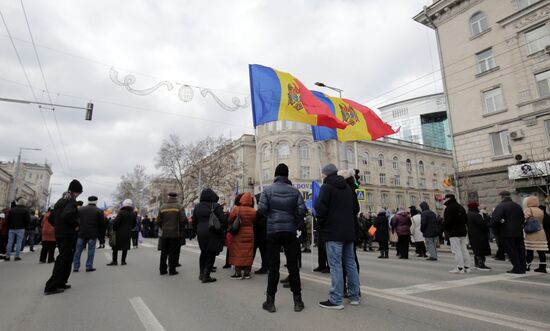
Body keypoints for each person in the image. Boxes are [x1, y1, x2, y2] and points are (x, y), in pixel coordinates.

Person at [258, 163, 306, 313]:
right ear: (287, 175)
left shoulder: (267, 191)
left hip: (273, 232)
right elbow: (301, 211)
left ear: (275, 175)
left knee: (274, 267)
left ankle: (270, 302)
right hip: (290, 231)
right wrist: (293, 221)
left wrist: (271, 219)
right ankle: (297, 301)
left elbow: (261, 210)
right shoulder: (295, 191)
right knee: (293, 266)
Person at [316, 164, 360, 310]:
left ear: (326, 174)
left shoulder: (327, 187)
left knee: (335, 265)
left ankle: (336, 299)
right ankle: (354, 296)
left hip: (333, 232)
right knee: (350, 264)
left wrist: (321, 225)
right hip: (348, 231)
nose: (322, 177)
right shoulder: (347, 188)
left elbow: (320, 209)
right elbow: (354, 209)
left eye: (322, 175)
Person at [44, 179, 82, 295]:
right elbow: (67, 215)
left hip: (59, 233)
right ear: (75, 192)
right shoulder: (71, 201)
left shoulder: (60, 201)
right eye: (79, 193)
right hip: (68, 234)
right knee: (64, 259)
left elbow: (50, 219)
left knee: (66, 257)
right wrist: (75, 225)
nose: (78, 195)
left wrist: (59, 226)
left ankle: (61, 282)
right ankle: (51, 285)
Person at [192, 188, 226, 283]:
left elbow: (194, 221)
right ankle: (206, 275)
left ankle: (201, 273)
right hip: (213, 232)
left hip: (201, 232)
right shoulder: (215, 206)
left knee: (203, 252)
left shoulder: (197, 206)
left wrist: (197, 230)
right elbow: (223, 220)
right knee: (211, 253)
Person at [491, 191, 526, 274]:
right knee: (520, 250)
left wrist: (501, 225)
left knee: (512, 250)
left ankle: (517, 268)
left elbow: (495, 219)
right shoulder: (517, 206)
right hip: (518, 231)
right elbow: (522, 219)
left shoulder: (500, 206)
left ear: (502, 197)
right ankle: (523, 267)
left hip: (507, 232)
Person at [157, 192, 187, 276]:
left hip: (165, 233)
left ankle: (162, 269)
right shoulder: (179, 207)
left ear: (168, 197)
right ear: (176, 197)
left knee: (164, 252)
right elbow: (183, 220)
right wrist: (181, 229)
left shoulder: (162, 207)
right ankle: (172, 270)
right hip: (175, 233)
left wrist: (163, 227)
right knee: (173, 252)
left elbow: (158, 221)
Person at [228, 192, 256, 279]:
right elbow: (254, 221)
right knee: (248, 252)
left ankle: (238, 273)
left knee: (238, 252)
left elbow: (230, 219)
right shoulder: (253, 211)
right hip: (249, 233)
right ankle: (247, 273)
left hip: (238, 233)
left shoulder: (237, 209)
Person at [73, 196, 103, 272]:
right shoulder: (99, 210)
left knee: (78, 250)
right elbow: (101, 223)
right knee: (91, 250)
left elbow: (75, 219)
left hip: (81, 232)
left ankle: (76, 267)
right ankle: (89, 266)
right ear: (96, 201)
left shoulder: (80, 209)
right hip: (92, 233)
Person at [443, 193, 471, 274]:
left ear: (448, 199)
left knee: (456, 250)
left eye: (445, 199)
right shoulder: (460, 206)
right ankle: (467, 267)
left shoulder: (449, 208)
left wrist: (446, 230)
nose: (444, 200)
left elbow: (447, 222)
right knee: (464, 249)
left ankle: (460, 268)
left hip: (453, 232)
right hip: (462, 231)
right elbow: (466, 219)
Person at [107, 199, 136, 266]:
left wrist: (114, 229)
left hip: (119, 231)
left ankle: (114, 261)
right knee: (125, 246)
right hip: (128, 232)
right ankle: (123, 261)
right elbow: (134, 223)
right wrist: (130, 228)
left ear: (124, 204)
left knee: (115, 247)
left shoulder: (121, 212)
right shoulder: (133, 213)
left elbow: (116, 222)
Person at [523, 196, 547, 273]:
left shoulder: (528, 209)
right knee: (541, 251)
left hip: (532, 232)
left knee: (530, 250)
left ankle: (527, 266)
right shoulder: (540, 210)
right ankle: (542, 267)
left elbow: (525, 219)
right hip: (540, 231)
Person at [466, 201, 491, 271]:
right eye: (477, 206)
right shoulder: (476, 215)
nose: (478, 207)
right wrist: (486, 219)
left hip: (472, 235)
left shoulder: (468, 214)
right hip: (479, 235)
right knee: (481, 250)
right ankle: (481, 264)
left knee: (476, 250)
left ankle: (477, 264)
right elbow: (482, 225)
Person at [253, 194, 268, 274]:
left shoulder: (261, 212)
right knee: (264, 253)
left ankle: (265, 267)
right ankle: (265, 267)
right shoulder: (266, 210)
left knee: (263, 252)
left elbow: (259, 223)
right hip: (264, 235)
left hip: (260, 235)